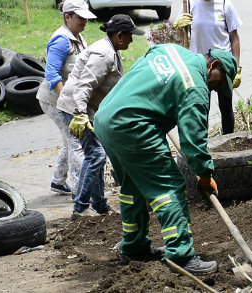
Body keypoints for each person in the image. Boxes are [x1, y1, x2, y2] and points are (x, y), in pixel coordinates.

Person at [93, 44, 238, 275]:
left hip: (106, 118)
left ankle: (134, 246)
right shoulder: (195, 86)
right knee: (169, 186)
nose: (216, 89)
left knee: (132, 187)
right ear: (214, 66)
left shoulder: (171, 50)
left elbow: (150, 63)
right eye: (220, 82)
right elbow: (194, 142)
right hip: (132, 126)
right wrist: (205, 175)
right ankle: (181, 255)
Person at [56, 14, 145, 220]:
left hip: (87, 110)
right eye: (130, 36)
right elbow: (84, 85)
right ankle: (80, 208)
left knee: (96, 154)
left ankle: (100, 205)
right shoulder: (103, 54)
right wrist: (79, 114)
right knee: (96, 155)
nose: (132, 40)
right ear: (120, 36)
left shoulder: (111, 50)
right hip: (75, 109)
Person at [36, 0, 96, 196]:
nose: (84, 21)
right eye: (80, 17)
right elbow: (52, 75)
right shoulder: (61, 40)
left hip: (66, 99)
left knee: (68, 140)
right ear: (67, 16)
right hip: (54, 100)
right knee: (76, 142)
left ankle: (58, 181)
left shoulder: (77, 36)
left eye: (86, 18)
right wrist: (69, 104)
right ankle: (81, 191)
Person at [173, 0, 242, 134]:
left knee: (226, 107)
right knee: (202, 108)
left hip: (222, 65)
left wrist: (237, 67)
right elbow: (181, 39)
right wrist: (179, 28)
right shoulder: (189, 4)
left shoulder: (224, 4)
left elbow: (235, 38)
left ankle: (229, 139)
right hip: (199, 65)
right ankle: (204, 144)